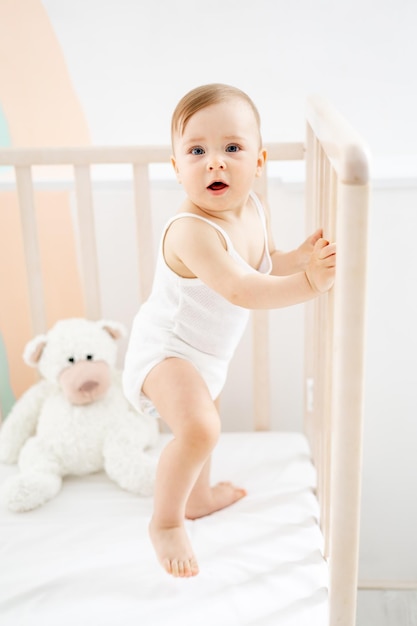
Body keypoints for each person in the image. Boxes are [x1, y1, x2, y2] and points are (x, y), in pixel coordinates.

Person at [123, 83, 336, 579]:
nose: (214, 163)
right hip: (167, 350)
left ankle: (197, 499)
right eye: (196, 151)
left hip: (206, 356)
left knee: (203, 436)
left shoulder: (254, 210)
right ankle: (166, 521)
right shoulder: (191, 230)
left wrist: (299, 258)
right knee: (200, 429)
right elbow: (241, 287)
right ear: (177, 169)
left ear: (258, 161)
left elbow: (265, 262)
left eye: (231, 148)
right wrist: (309, 283)